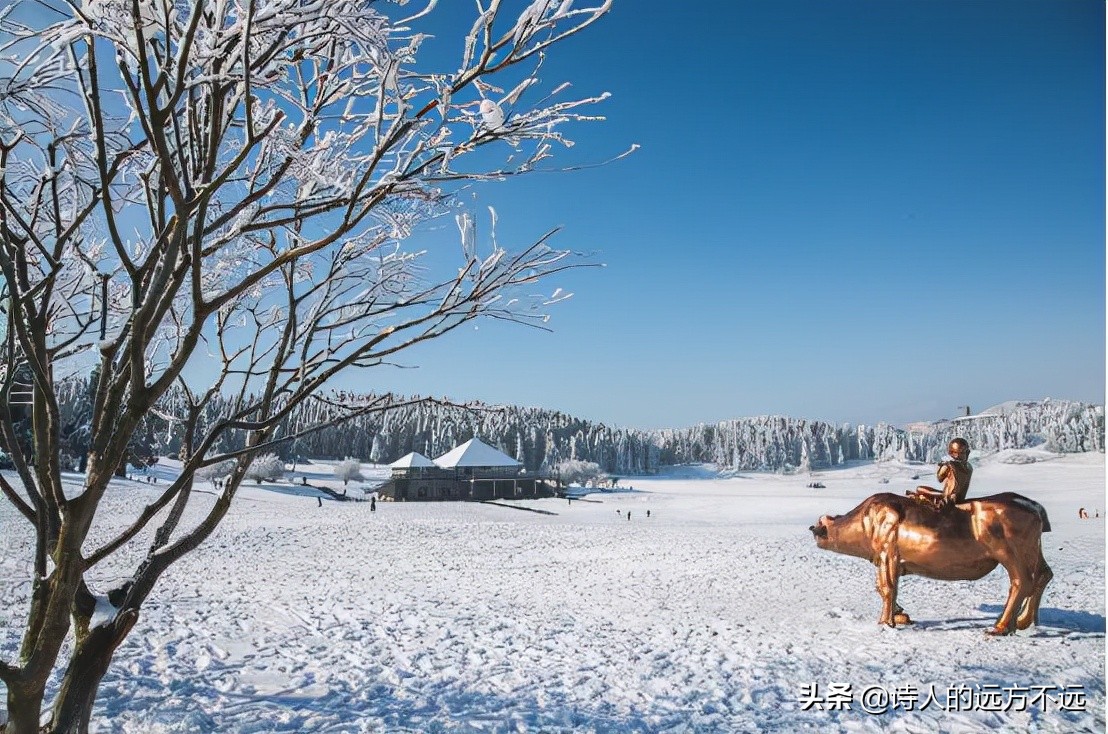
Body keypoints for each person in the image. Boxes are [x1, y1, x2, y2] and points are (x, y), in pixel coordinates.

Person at [906, 437, 973, 511]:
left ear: (954, 453)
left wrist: (941, 466)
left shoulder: (949, 465)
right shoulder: (969, 467)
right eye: (966, 452)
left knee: (919, 489)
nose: (967, 453)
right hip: (960, 498)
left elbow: (940, 478)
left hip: (948, 498)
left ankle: (921, 500)